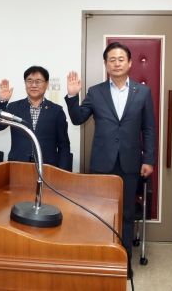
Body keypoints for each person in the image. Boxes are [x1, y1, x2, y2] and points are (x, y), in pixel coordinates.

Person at [65, 42, 156, 263]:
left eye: (121, 59)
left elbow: (149, 129)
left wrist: (149, 159)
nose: (116, 63)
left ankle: (123, 262)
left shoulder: (143, 92)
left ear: (130, 63)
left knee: (126, 214)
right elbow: (78, 119)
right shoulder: (96, 92)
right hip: (102, 163)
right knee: (100, 213)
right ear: (106, 65)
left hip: (130, 162)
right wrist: (72, 97)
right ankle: (103, 259)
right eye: (112, 60)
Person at [0, 66, 71, 170]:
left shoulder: (56, 111)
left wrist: (63, 172)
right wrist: (2, 101)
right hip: (18, 166)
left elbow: (64, 145)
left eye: (38, 81)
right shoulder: (14, 107)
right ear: (25, 84)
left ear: (46, 84)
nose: (33, 85)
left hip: (47, 167)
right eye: (29, 81)